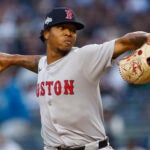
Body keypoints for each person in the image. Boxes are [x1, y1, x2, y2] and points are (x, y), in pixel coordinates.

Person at [0, 7, 150, 150]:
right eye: (62, 28)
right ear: (46, 34)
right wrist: (13, 59)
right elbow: (39, 63)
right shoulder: (43, 65)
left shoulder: (86, 56)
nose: (69, 33)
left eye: (72, 30)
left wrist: (147, 38)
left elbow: (126, 41)